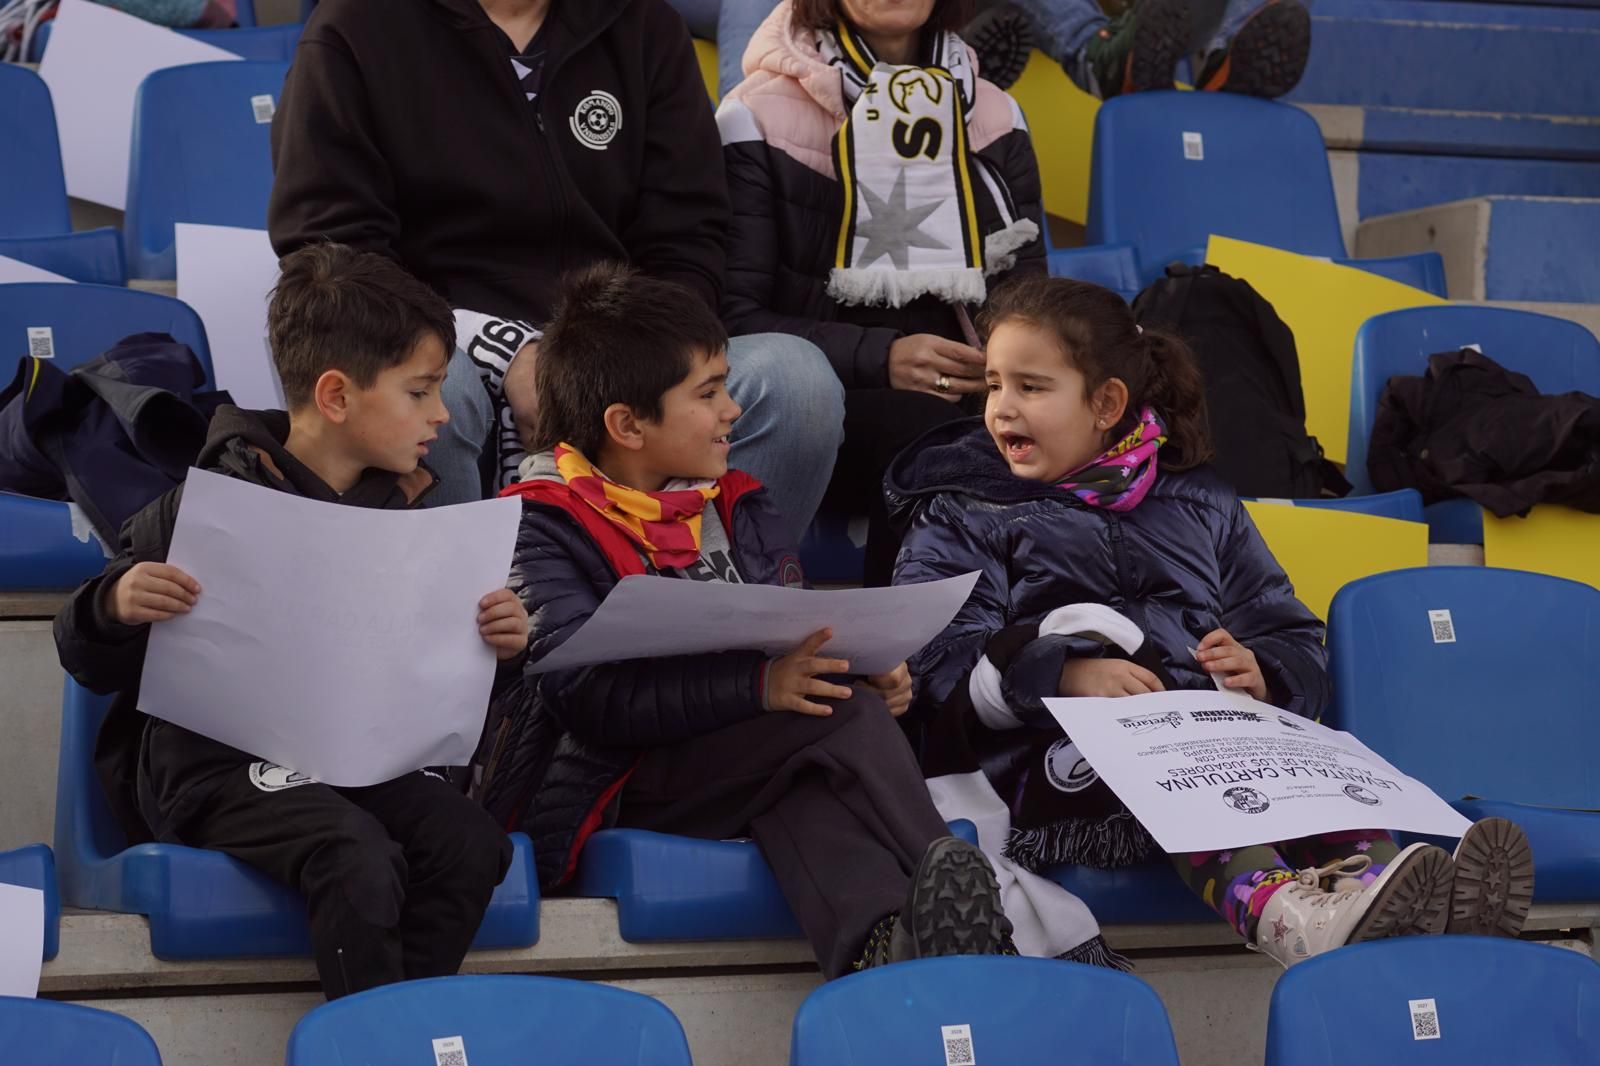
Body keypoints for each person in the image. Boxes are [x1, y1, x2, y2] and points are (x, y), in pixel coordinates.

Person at [886, 275, 1537, 967]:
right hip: (1048, 759)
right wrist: (1067, 673)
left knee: (1309, 775)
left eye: (1031, 387)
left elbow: (1287, 629)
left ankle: (1392, 897)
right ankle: (1294, 919)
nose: (1002, 410)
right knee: (1191, 783)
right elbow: (939, 655)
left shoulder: (1203, 502)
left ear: (1106, 402)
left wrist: (1263, 670)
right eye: (993, 385)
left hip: (1207, 730)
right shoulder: (961, 511)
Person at [478, 261, 1014, 977]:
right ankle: (968, 906)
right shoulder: (540, 523)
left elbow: (783, 631)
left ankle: (885, 951)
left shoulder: (738, 502)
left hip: (736, 759)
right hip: (611, 779)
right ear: (627, 425)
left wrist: (854, 665)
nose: (733, 409)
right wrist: (765, 689)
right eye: (709, 393)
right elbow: (591, 702)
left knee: (818, 759)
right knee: (841, 719)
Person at [53, 245, 525, 999]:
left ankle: (392, 1033)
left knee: (471, 844)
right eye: (421, 391)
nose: (442, 414)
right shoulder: (212, 499)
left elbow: (438, 691)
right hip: (211, 769)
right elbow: (84, 652)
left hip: (354, 761)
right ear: (336, 395)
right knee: (356, 856)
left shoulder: (412, 512)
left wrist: (499, 650)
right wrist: (117, 603)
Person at [267, 0, 843, 540]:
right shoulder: (354, 31)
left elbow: (688, 236)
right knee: (425, 392)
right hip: (446, 344)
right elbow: (334, 257)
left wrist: (614, 362)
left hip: (621, 345)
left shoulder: (642, 24)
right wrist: (507, 352)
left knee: (794, 381)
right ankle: (462, 631)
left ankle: (708, 623)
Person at [717, 0, 1044, 583]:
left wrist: (1005, 374)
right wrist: (882, 357)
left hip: (978, 391)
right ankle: (906, 661)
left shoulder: (996, 113)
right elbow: (735, 321)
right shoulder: (753, 113)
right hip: (824, 403)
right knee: (934, 439)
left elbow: (1031, 301)